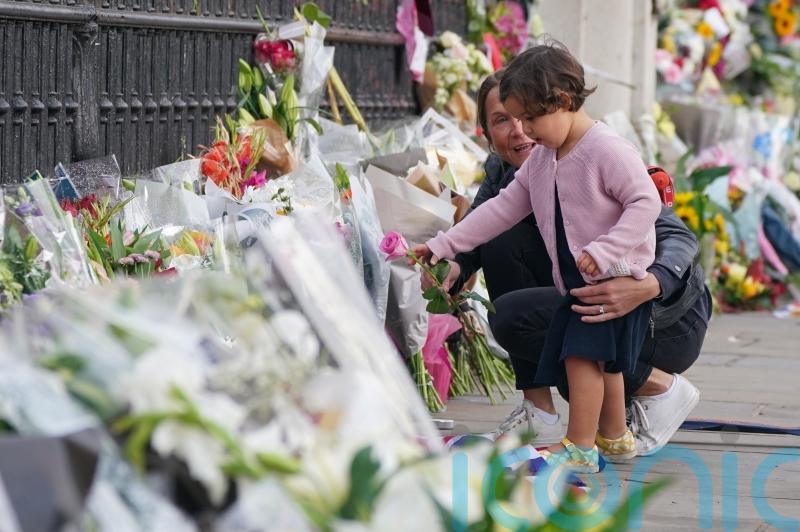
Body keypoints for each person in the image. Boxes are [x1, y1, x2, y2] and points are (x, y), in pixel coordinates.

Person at [415, 43, 698, 472]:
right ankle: (616, 437)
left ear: (563, 102)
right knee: (607, 365)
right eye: (511, 119)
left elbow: (644, 202)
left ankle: (581, 448)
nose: (524, 130)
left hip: (616, 283)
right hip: (581, 284)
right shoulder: (544, 159)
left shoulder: (606, 149)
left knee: (582, 360)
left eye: (530, 118)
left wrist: (606, 250)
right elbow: (500, 209)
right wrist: (444, 245)